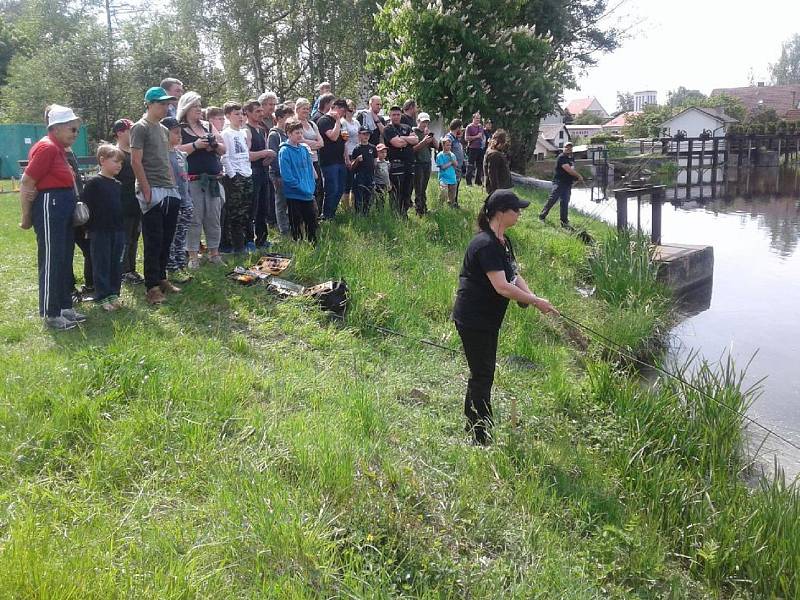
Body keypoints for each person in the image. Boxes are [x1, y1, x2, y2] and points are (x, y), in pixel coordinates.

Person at [453, 189, 558, 445]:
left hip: (488, 318)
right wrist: (534, 301)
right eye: (516, 209)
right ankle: (478, 434)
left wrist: (532, 298)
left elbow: (513, 275)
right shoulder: (485, 245)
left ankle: (481, 427)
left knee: (484, 372)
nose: (520, 213)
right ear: (500, 212)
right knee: (482, 374)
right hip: (473, 318)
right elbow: (501, 286)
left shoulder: (503, 241)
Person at [18, 104, 85, 329]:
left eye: (76, 129)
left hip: (63, 204)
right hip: (50, 205)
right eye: (71, 129)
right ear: (55, 128)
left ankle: (65, 306)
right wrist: (26, 215)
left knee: (64, 257)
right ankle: (51, 312)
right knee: (51, 258)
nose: (75, 133)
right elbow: (27, 181)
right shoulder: (46, 148)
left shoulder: (58, 149)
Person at [130, 87, 182, 305]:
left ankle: (161, 277)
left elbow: (166, 158)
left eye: (167, 104)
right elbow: (135, 160)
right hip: (152, 189)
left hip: (169, 189)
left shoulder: (162, 129)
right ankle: (151, 286)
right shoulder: (139, 128)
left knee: (167, 237)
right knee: (153, 239)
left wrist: (173, 184)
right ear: (149, 104)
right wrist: (146, 188)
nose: (166, 107)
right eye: (161, 104)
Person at [176, 91, 226, 268]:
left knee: (213, 217)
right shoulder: (179, 128)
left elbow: (223, 149)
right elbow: (175, 150)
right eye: (194, 106)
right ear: (186, 108)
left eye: (199, 105)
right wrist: (196, 145)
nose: (198, 109)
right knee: (194, 218)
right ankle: (193, 256)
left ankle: (214, 253)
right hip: (192, 180)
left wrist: (213, 144)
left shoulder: (208, 126)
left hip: (212, 180)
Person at [83, 144, 126, 311]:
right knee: (101, 264)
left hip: (118, 230)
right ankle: (102, 296)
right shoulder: (94, 183)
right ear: (102, 160)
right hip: (100, 231)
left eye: (121, 163)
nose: (119, 165)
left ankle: (113, 294)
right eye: (115, 161)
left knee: (116, 263)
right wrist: (88, 228)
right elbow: (86, 208)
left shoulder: (117, 184)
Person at [220, 101, 255, 254]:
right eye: (236, 114)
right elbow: (224, 156)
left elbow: (245, 154)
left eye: (241, 114)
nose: (240, 117)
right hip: (235, 176)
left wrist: (248, 171)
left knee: (245, 211)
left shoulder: (242, 132)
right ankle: (235, 245)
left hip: (247, 174)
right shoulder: (226, 133)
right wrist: (233, 175)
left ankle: (243, 242)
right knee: (234, 212)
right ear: (228, 116)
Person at [161, 117, 193, 275]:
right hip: (173, 202)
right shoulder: (162, 155)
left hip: (186, 202)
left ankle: (181, 265)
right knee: (171, 238)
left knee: (181, 236)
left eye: (180, 132)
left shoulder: (181, 155)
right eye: (175, 132)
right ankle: (171, 268)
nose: (179, 135)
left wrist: (189, 199)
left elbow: (184, 177)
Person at [113, 119, 143, 284]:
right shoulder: (115, 154)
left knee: (134, 237)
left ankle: (131, 269)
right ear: (120, 132)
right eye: (130, 131)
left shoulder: (134, 152)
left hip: (137, 202)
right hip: (121, 204)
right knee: (123, 238)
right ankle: (123, 271)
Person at [245, 99, 278, 244]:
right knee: (252, 207)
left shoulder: (261, 129)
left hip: (263, 171)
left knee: (264, 207)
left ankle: (262, 238)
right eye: (257, 111)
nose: (260, 113)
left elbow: (264, 155)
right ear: (248, 113)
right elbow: (247, 155)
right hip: (252, 172)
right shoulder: (246, 131)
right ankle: (249, 239)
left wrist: (270, 157)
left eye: (260, 111)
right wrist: (265, 153)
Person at [279, 120, 318, 243]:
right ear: (289, 134)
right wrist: (300, 187)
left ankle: (313, 243)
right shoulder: (284, 151)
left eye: (301, 133)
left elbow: (309, 170)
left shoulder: (304, 149)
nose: (300, 135)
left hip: (307, 192)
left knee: (311, 220)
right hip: (294, 193)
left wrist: (311, 186)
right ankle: (298, 243)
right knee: (296, 221)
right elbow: (287, 176)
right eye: (297, 133)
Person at [317, 98, 349, 220]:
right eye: (342, 110)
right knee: (332, 188)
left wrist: (346, 158)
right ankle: (326, 215)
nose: (343, 113)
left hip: (340, 160)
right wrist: (337, 121)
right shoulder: (324, 121)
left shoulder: (341, 122)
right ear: (335, 108)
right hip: (329, 161)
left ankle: (332, 213)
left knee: (340, 188)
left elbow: (344, 139)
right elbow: (334, 137)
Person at [539, 142, 584, 227]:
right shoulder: (562, 157)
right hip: (559, 183)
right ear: (563, 148)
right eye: (567, 147)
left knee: (565, 202)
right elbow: (568, 169)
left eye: (570, 147)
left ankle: (564, 221)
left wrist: (575, 179)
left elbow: (572, 169)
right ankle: (542, 216)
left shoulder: (571, 158)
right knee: (553, 199)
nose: (568, 149)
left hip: (567, 184)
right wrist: (579, 175)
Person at [383, 105, 417, 216]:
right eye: (394, 115)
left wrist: (402, 138)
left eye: (398, 114)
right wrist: (407, 140)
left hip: (409, 164)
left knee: (407, 191)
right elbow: (397, 143)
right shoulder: (388, 129)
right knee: (397, 192)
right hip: (396, 164)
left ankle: (404, 214)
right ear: (390, 116)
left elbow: (416, 140)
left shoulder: (406, 127)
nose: (396, 117)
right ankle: (395, 215)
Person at [295, 97, 324, 213]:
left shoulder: (312, 124)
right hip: (302, 160)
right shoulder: (294, 124)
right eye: (303, 109)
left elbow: (321, 143)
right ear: (297, 109)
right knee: (305, 189)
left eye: (308, 109)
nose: (306, 111)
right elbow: (299, 141)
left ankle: (316, 215)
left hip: (315, 159)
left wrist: (308, 144)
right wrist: (313, 144)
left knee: (317, 188)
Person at [267, 104, 293, 236]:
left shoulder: (287, 133)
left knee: (289, 201)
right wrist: (279, 174)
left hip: (290, 173)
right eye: (288, 117)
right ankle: (284, 230)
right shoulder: (274, 134)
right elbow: (273, 156)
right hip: (278, 174)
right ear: (279, 118)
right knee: (281, 202)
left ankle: (290, 225)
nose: (290, 120)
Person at [412, 111, 437, 215]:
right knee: (419, 188)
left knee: (424, 188)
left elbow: (437, 146)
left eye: (427, 122)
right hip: (418, 163)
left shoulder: (426, 133)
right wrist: (424, 142)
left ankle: (424, 208)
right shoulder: (413, 132)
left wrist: (431, 137)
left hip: (427, 163)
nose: (425, 124)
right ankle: (419, 210)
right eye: (423, 122)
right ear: (418, 121)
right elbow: (413, 149)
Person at [349, 126, 377, 214]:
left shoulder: (372, 148)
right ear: (359, 135)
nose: (366, 136)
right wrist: (357, 160)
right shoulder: (357, 149)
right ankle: (358, 214)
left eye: (368, 134)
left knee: (368, 195)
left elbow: (375, 162)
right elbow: (351, 166)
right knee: (359, 196)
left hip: (370, 175)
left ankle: (366, 213)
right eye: (364, 134)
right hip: (360, 175)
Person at [341, 99, 361, 209]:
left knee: (355, 181)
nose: (351, 111)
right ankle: (345, 208)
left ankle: (353, 206)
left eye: (353, 109)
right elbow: (344, 140)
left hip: (356, 152)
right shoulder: (343, 122)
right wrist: (346, 158)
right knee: (347, 181)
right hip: (347, 153)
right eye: (349, 109)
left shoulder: (356, 122)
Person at [483, 129, 512, 195]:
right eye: (503, 143)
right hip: (499, 190)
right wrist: (496, 191)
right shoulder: (494, 155)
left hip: (502, 188)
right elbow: (492, 174)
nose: (504, 145)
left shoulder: (494, 152)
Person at [444, 119, 465, 203]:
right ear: (458, 128)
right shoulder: (449, 138)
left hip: (458, 167)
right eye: (461, 128)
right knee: (452, 186)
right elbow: (446, 152)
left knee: (456, 185)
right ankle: (450, 203)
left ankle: (454, 202)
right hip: (452, 167)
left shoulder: (456, 138)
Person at [436, 137, 459, 207]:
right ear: (443, 145)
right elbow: (443, 167)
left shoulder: (452, 155)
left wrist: (452, 160)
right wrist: (451, 162)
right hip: (443, 178)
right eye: (447, 145)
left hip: (452, 177)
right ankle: (440, 207)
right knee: (443, 192)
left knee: (452, 196)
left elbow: (456, 165)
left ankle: (450, 208)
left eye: (450, 145)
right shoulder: (440, 155)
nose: (449, 147)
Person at [464, 112, 485, 186]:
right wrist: (476, 136)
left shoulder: (480, 126)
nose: (478, 120)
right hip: (472, 148)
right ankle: (468, 182)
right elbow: (466, 138)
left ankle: (478, 182)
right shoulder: (469, 127)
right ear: (473, 118)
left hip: (480, 148)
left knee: (480, 166)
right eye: (476, 118)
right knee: (470, 166)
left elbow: (481, 136)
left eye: (479, 118)